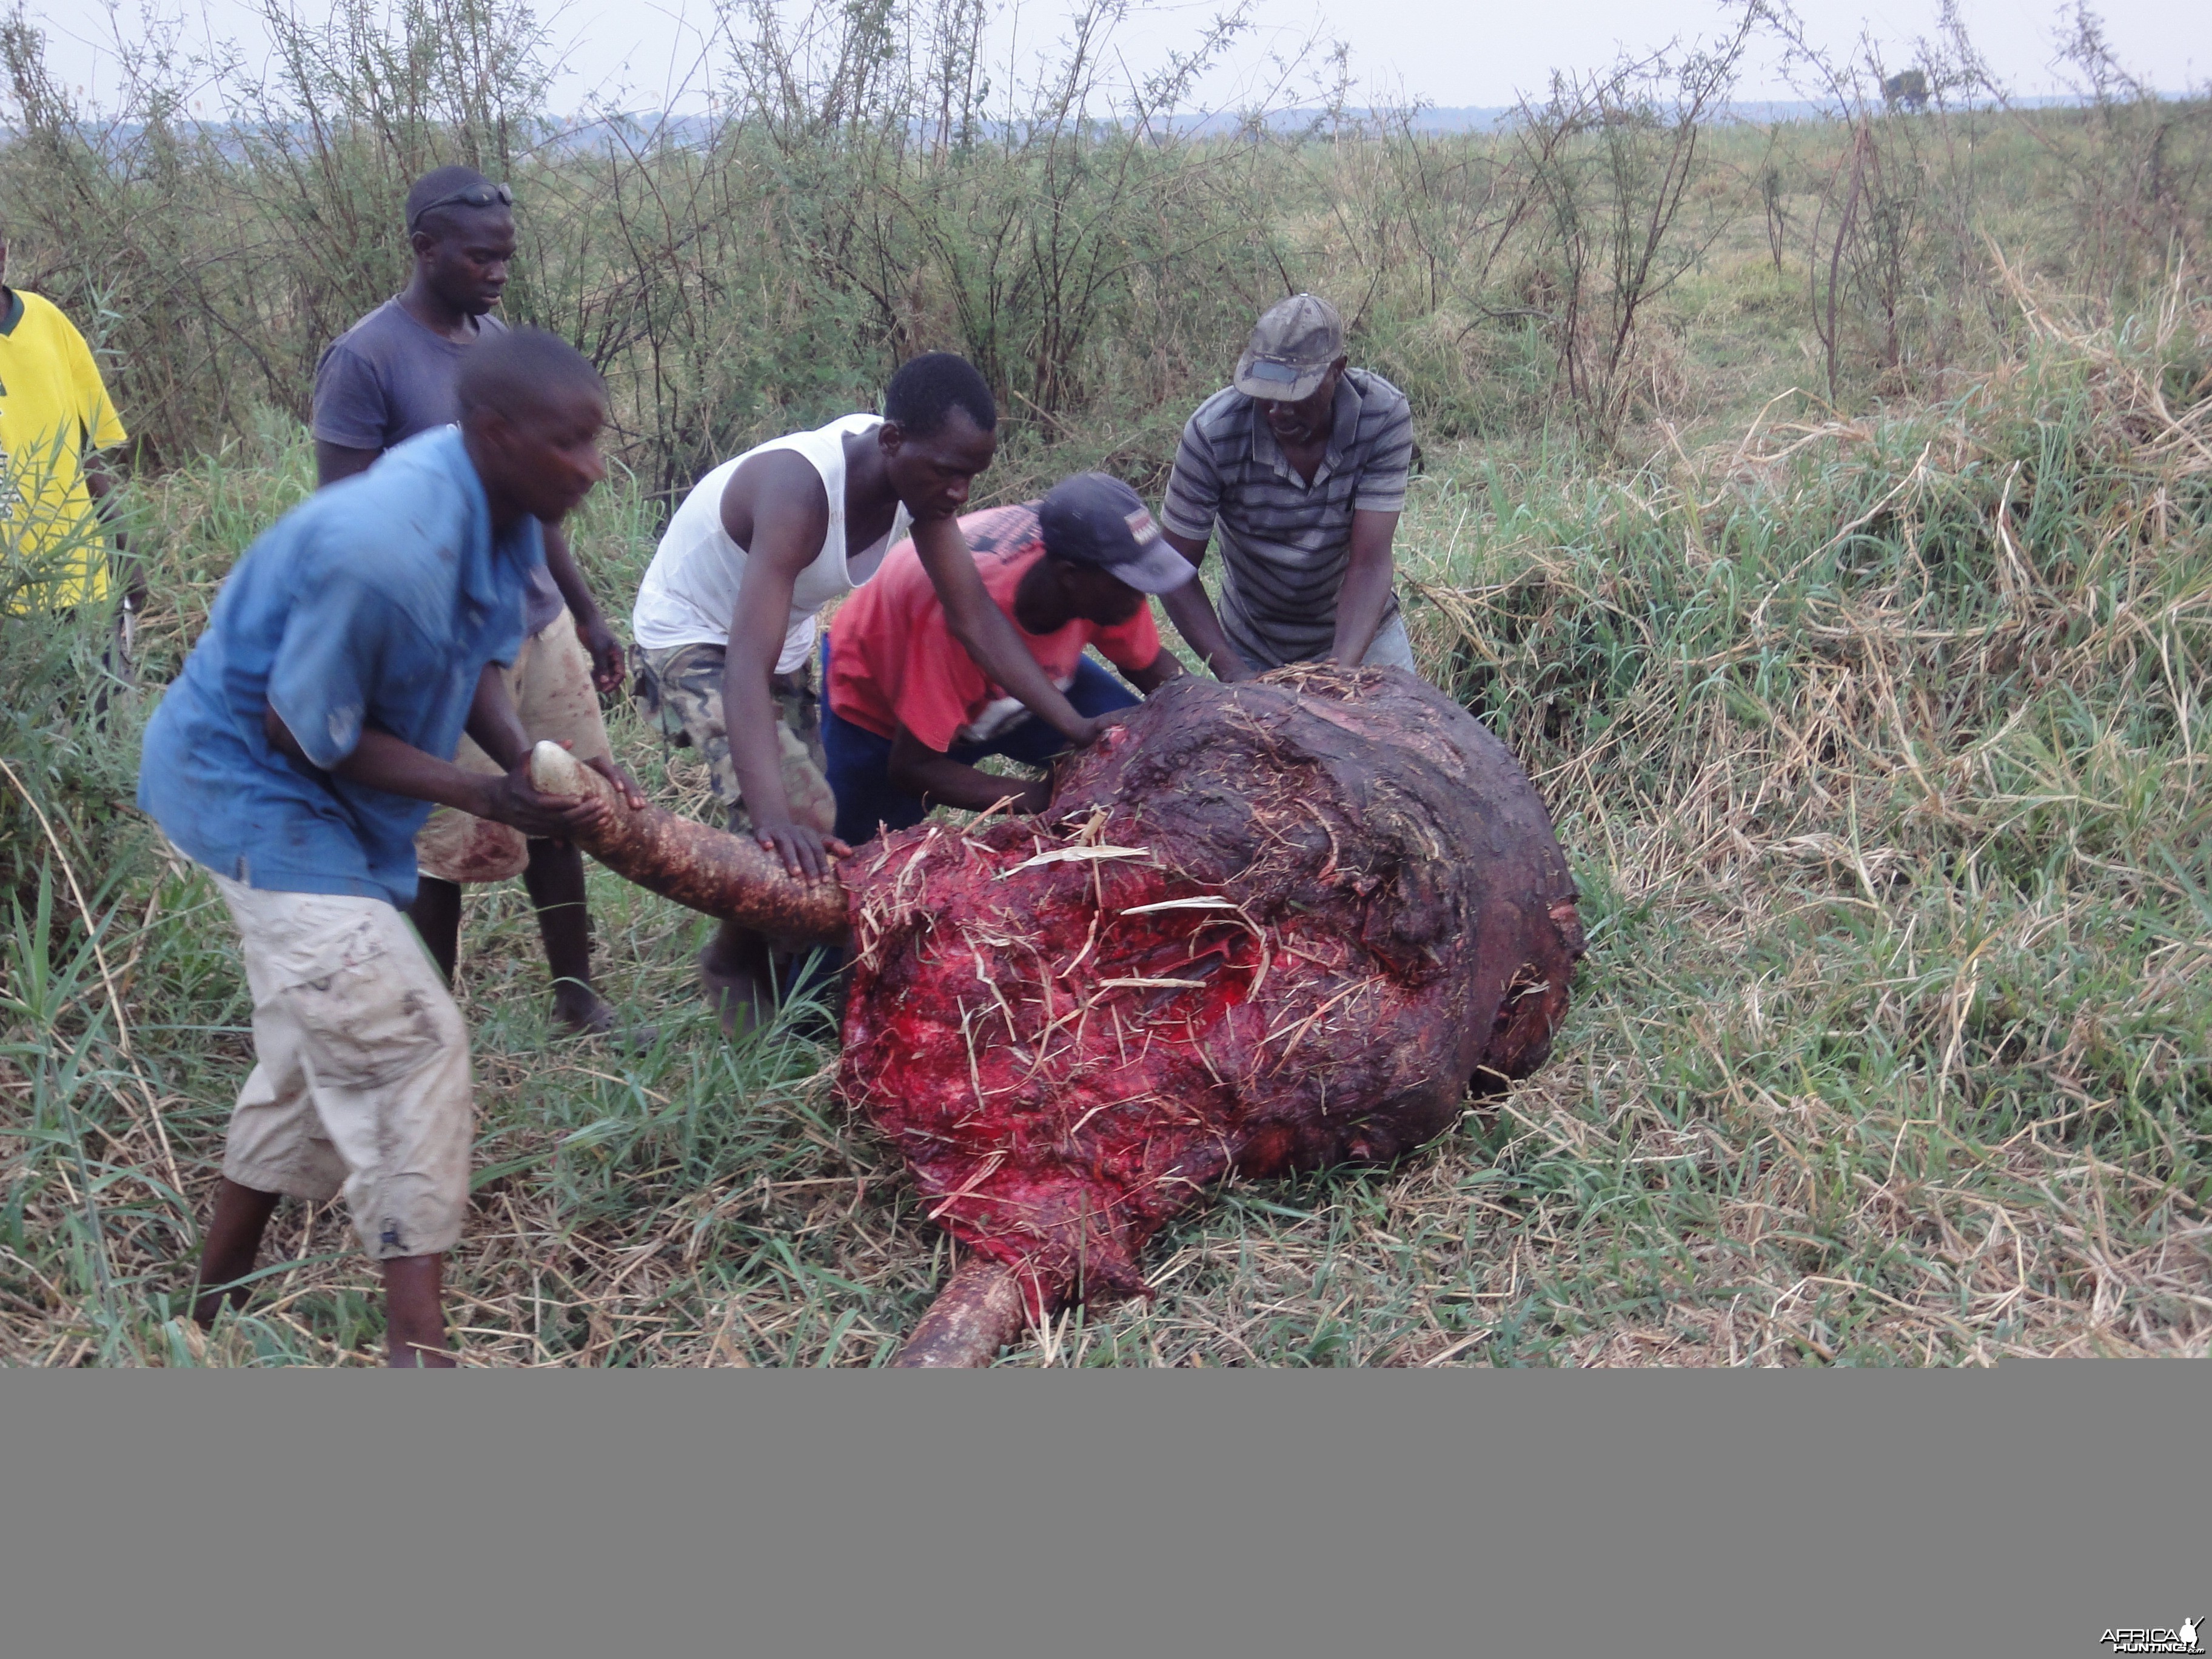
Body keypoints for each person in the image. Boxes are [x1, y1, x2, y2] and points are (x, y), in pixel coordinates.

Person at [139, 329, 645, 1366]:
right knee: (410, 1043)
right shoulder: (386, 549)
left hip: (315, 799)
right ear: (497, 433)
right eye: (571, 444)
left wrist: (534, 767)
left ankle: (200, 1318)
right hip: (254, 793)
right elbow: (297, 731)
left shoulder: (500, 504)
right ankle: (420, 1358)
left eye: (597, 440)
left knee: (306, 1055)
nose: (593, 468)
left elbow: (472, 658)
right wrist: (477, 787)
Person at [631, 352, 1128, 1030]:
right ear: (893, 440)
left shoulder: (912, 477)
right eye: (950, 473)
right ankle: (728, 964)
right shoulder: (800, 493)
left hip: (780, 638)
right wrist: (770, 812)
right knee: (790, 814)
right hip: (694, 633)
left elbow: (975, 616)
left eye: (971, 477)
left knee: (812, 817)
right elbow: (745, 665)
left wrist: (1072, 728)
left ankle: (762, 952)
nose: (959, 492)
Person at [312, 166, 632, 1039]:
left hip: (534, 619)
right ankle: (429, 1024)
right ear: (425, 247)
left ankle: (577, 997)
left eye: (506, 258)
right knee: (443, 845)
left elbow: (535, 497)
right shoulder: (366, 358)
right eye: (480, 257)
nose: (497, 274)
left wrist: (589, 612)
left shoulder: (498, 346)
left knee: (564, 808)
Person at [822, 472, 1190, 845]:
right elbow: (914, 768)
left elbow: (1151, 666)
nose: (1141, 598)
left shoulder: (1103, 574)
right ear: (1070, 577)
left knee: (1134, 758)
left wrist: (1209, 712)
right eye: (1131, 584)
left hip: (1027, 673)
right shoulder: (954, 623)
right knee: (862, 852)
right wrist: (1049, 799)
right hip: (882, 702)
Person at [1156, 292, 1418, 680]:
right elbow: (1173, 570)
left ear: (1338, 370)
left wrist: (1338, 676)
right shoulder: (1213, 433)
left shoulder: (1382, 415)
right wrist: (1238, 677)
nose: (1278, 411)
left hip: (1362, 633)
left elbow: (1369, 563)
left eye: (1297, 395)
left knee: (1398, 736)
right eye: (1266, 394)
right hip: (1255, 645)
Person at [0, 224, 135, 635]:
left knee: (99, 696)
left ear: (3, 254)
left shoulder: (47, 321)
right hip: (8, 597)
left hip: (79, 575)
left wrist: (127, 555)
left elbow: (88, 454)